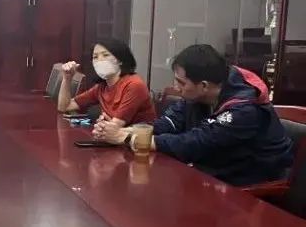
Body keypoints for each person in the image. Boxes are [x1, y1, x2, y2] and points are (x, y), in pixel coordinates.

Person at [96, 44, 293, 186]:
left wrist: (129, 138)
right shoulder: (199, 95)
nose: (175, 87)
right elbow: (169, 123)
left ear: (204, 86)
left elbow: (195, 142)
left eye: (181, 83)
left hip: (250, 187)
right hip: (212, 174)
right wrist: (123, 131)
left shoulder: (244, 109)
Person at [57, 39, 156, 126]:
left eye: (105, 55)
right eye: (95, 57)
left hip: (136, 140)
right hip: (112, 138)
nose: (99, 60)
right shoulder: (102, 86)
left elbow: (114, 127)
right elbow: (65, 107)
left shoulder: (134, 85)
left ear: (120, 60)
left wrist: (104, 123)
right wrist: (67, 78)